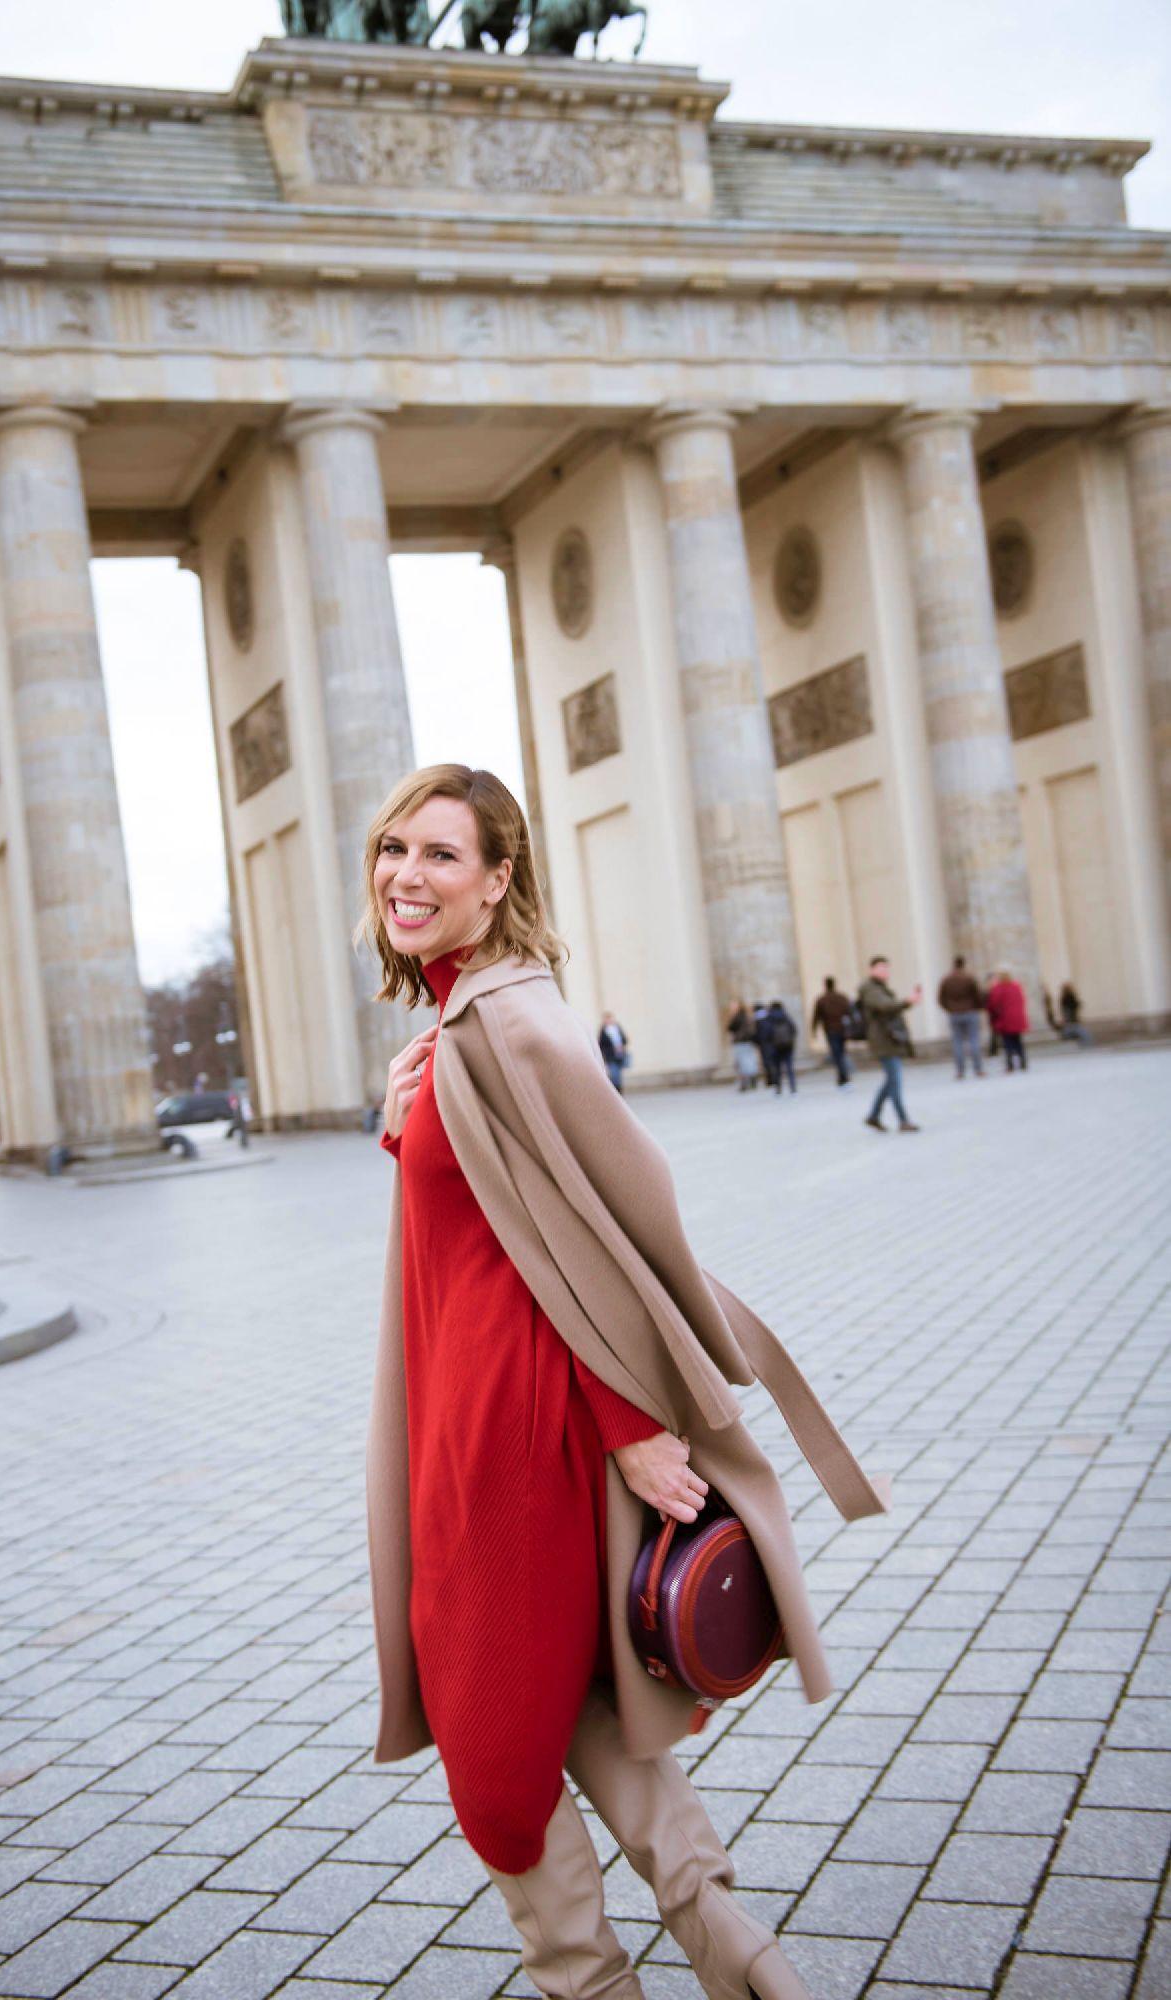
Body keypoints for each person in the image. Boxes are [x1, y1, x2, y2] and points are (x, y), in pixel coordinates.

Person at [363, 763, 888, 2000]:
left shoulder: (513, 1024)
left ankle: (585, 1976)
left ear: (499, 883)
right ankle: (736, 1952)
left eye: (444, 855)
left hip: (515, 1440)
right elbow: (501, 1220)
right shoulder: (457, 1028)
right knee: (573, 1688)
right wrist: (400, 1121)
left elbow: (618, 1222)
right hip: (467, 1426)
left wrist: (633, 1422)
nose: (408, 874)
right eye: (394, 847)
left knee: (490, 1757)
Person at [857, 956, 922, 1133]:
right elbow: (885, 1006)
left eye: (886, 968)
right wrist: (907, 1001)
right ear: (871, 970)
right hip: (882, 1040)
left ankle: (874, 1116)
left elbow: (890, 1007)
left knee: (891, 1081)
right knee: (894, 1081)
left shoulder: (879, 988)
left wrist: (908, 1002)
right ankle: (903, 1120)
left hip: (888, 1038)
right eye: (881, 968)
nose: (885, 971)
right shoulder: (870, 989)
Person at [937, 955, 985, 1080]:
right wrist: (978, 1007)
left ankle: (960, 1071)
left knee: (957, 1042)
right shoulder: (969, 978)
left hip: (954, 1014)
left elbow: (941, 998)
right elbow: (978, 995)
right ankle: (978, 1068)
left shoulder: (946, 980)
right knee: (974, 1040)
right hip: (970, 1011)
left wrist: (950, 1008)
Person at [810, 976, 853, 1085]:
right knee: (841, 1053)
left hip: (831, 1030)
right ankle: (843, 1074)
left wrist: (814, 1031)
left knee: (837, 1053)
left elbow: (816, 1017)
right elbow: (850, 1012)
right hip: (842, 1029)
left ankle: (843, 1075)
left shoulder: (822, 1000)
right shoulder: (842, 998)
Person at [987, 967, 1030, 1072]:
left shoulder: (998, 988)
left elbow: (993, 1003)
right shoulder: (1016, 986)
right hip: (1017, 1018)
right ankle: (1023, 1061)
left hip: (1005, 1018)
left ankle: (1010, 1064)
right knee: (1018, 1040)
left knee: (1007, 1042)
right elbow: (1022, 1000)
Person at [726, 997, 761, 1091]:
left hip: (741, 1042)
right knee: (748, 1062)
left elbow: (730, 1028)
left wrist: (732, 1016)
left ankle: (745, 1083)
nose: (731, 1008)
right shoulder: (747, 1016)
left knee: (742, 1063)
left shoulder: (738, 1017)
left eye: (733, 1006)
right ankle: (751, 1080)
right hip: (746, 1042)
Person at [763, 999, 797, 1095]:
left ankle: (778, 1089)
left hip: (775, 1047)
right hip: (787, 1046)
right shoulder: (786, 1016)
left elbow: (766, 1033)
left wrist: (770, 1043)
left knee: (777, 1069)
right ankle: (793, 1086)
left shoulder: (769, 1018)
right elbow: (794, 1030)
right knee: (789, 1068)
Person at [597, 1010, 631, 1093]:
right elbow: (601, 1044)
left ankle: (619, 1092)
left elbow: (624, 1039)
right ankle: (616, 1092)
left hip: (619, 1055)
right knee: (614, 1074)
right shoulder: (603, 1031)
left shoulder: (617, 1028)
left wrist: (621, 1046)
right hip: (610, 1056)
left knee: (618, 1075)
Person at [1058, 981, 1094, 1048]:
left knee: (1077, 1032)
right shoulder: (1069, 997)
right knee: (1083, 1034)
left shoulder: (1065, 998)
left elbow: (1066, 1009)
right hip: (1072, 1020)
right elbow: (1073, 1007)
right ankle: (1084, 1045)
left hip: (1070, 1020)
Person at [752, 1000, 779, 1090]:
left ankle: (771, 1080)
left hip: (765, 1043)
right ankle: (773, 1079)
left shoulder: (759, 1019)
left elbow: (758, 1033)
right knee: (771, 1062)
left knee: (767, 1062)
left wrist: (757, 1041)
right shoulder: (768, 1016)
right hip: (771, 1042)